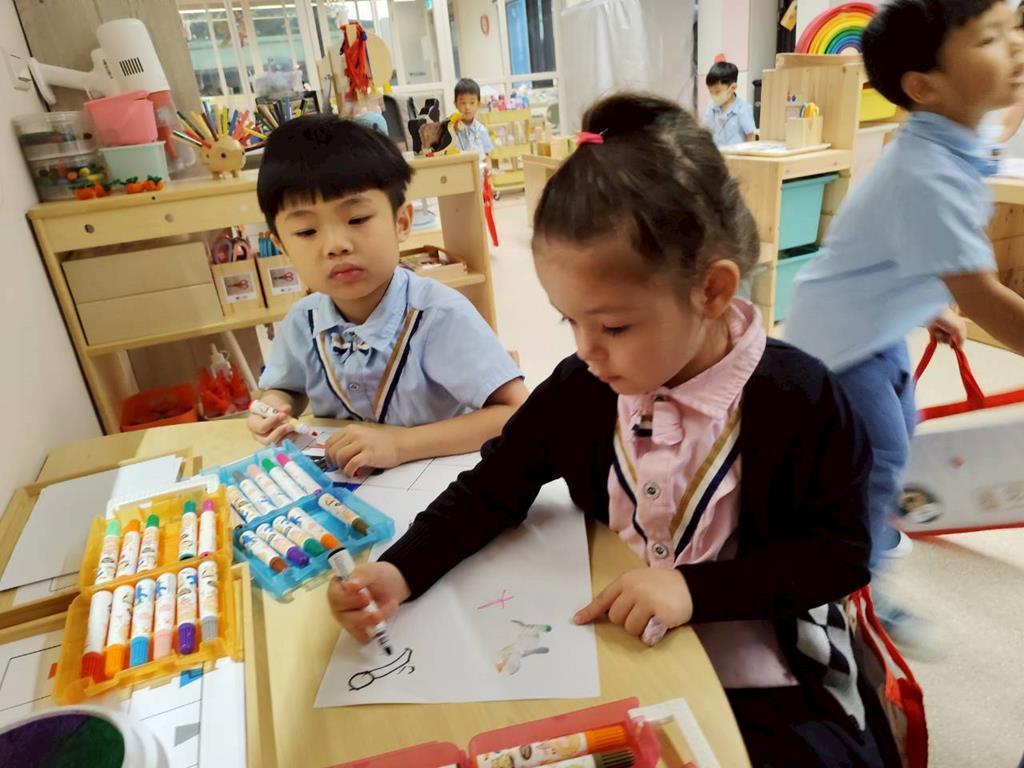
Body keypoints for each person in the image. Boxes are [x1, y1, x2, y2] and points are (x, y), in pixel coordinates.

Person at [328, 93, 895, 766]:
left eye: (615, 326)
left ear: (713, 291)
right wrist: (400, 569)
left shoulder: (800, 398)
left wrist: (692, 589)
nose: (587, 349)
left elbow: (838, 555)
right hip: (620, 653)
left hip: (769, 670)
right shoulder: (585, 386)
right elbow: (493, 487)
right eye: (569, 320)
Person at [785, 0, 1024, 649]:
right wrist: (957, 299)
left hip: (874, 324)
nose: (1013, 48)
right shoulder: (926, 171)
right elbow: (983, 295)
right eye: (990, 39)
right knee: (880, 456)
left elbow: (906, 249)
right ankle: (852, 584)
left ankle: (854, 520)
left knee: (897, 431)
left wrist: (931, 303)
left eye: (1012, 32)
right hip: (839, 345)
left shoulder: (951, 136)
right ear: (925, 86)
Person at [248, 114, 527, 476]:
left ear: (401, 222)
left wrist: (401, 445)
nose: (335, 245)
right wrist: (272, 408)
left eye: (357, 220)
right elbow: (287, 389)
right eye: (306, 231)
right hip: (347, 490)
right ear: (282, 246)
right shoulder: (303, 320)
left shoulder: (439, 315)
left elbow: (516, 412)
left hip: (439, 484)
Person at [702, 61, 757, 147]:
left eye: (717, 92)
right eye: (711, 92)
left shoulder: (743, 109)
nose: (713, 96)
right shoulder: (712, 107)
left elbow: (751, 136)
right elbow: (705, 131)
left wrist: (747, 153)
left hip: (736, 154)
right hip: (716, 153)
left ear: (733, 88)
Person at [453, 78, 494, 156]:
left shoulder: (481, 129)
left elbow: (487, 155)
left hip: (479, 163)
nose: (467, 107)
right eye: (463, 103)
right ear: (456, 104)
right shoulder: (452, 131)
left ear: (478, 104)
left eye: (472, 103)